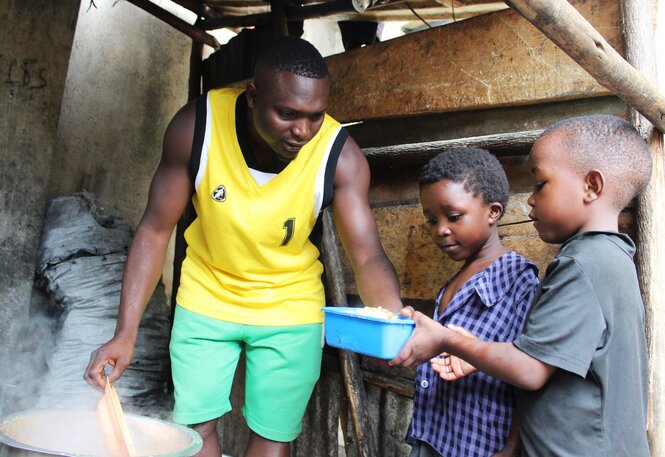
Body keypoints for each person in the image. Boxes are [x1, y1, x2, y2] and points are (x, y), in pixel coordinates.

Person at [84, 36, 403, 457]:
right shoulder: (196, 128)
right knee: (193, 435)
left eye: (314, 116)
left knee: (272, 437)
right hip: (207, 295)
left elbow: (366, 255)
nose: (303, 131)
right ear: (253, 96)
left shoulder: (339, 155)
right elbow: (155, 230)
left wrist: (395, 324)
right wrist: (125, 334)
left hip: (290, 304)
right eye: (288, 114)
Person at [391, 114, 652, 457]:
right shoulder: (608, 259)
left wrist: (445, 339)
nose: (530, 199)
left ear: (592, 186)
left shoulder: (583, 265)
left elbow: (529, 369)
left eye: (541, 184)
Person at [406, 148, 539, 457]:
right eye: (431, 219)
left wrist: (512, 447)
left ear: (493, 212)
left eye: (453, 217)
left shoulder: (518, 280)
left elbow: (529, 372)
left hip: (479, 445)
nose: (440, 230)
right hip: (433, 434)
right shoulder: (452, 284)